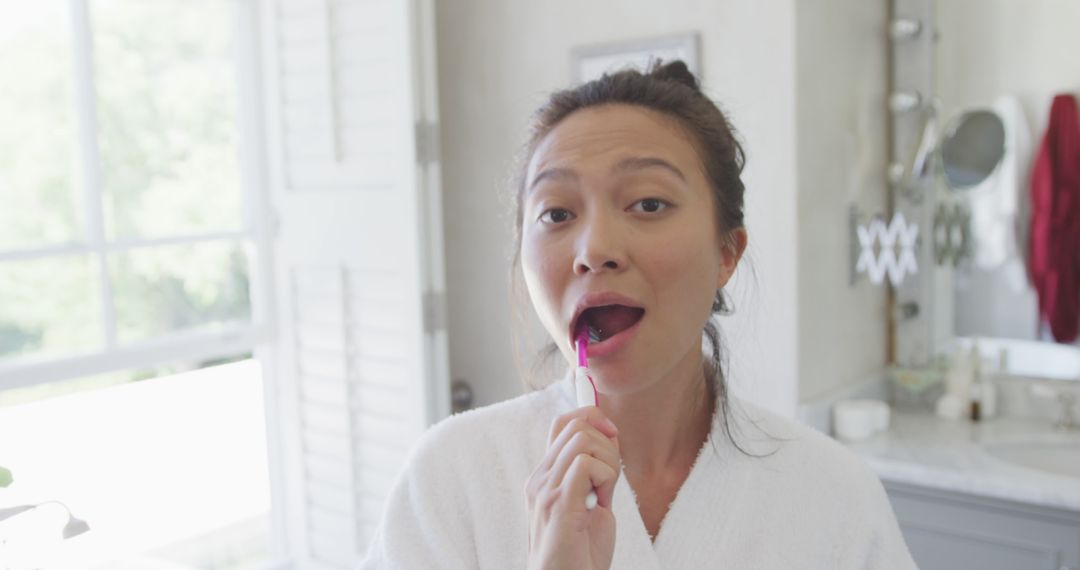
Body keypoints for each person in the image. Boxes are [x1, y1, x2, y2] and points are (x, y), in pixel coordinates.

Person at [360, 60, 917, 569]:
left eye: (648, 204)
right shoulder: (452, 477)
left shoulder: (835, 497)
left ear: (726, 253)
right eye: (556, 213)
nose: (593, 249)